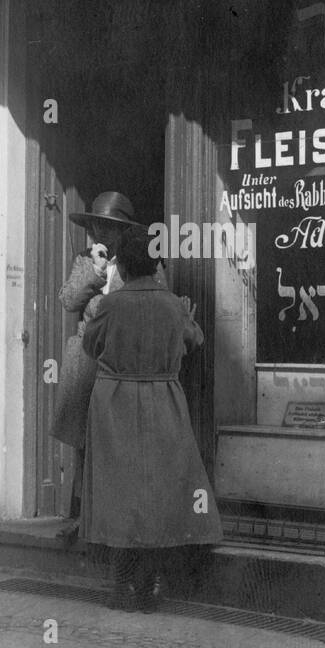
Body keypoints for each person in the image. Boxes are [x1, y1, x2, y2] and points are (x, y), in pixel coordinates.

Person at [80, 227, 223, 611]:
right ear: (156, 264)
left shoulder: (112, 304)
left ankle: (123, 585)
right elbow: (195, 341)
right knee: (159, 491)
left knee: (120, 493)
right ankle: (152, 583)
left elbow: (90, 345)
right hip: (163, 400)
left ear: (122, 267)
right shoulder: (173, 304)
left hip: (116, 403)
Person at [50, 191, 142, 526]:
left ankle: (112, 518)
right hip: (87, 364)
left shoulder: (137, 265)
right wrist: (96, 270)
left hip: (118, 363)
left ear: (122, 232)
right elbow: (69, 300)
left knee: (115, 443)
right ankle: (84, 517)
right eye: (96, 228)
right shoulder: (84, 261)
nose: (100, 235)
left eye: (108, 228)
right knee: (84, 442)